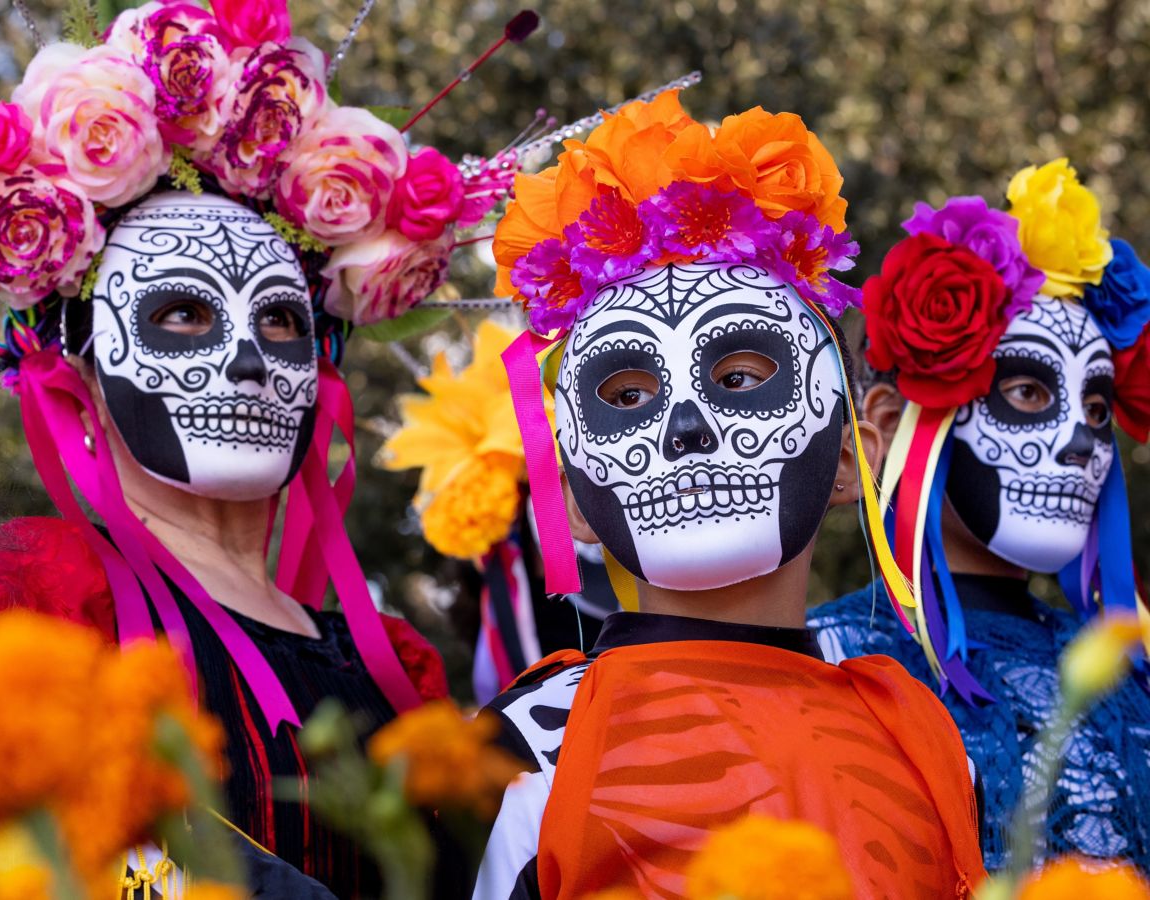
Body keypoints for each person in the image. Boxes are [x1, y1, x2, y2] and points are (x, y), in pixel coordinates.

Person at [0, 1, 511, 891]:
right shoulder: (44, 603)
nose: (251, 361)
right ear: (80, 360)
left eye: (281, 320)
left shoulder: (389, 654)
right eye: (181, 315)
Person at [471, 92, 986, 899]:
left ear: (853, 458)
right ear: (571, 495)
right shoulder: (527, 749)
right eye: (627, 395)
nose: (685, 428)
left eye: (742, 378)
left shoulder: (919, 734)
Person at [808, 160, 1150, 870]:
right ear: (892, 421)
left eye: (1095, 407)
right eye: (1028, 392)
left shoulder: (1130, 672)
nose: (1082, 439)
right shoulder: (824, 666)